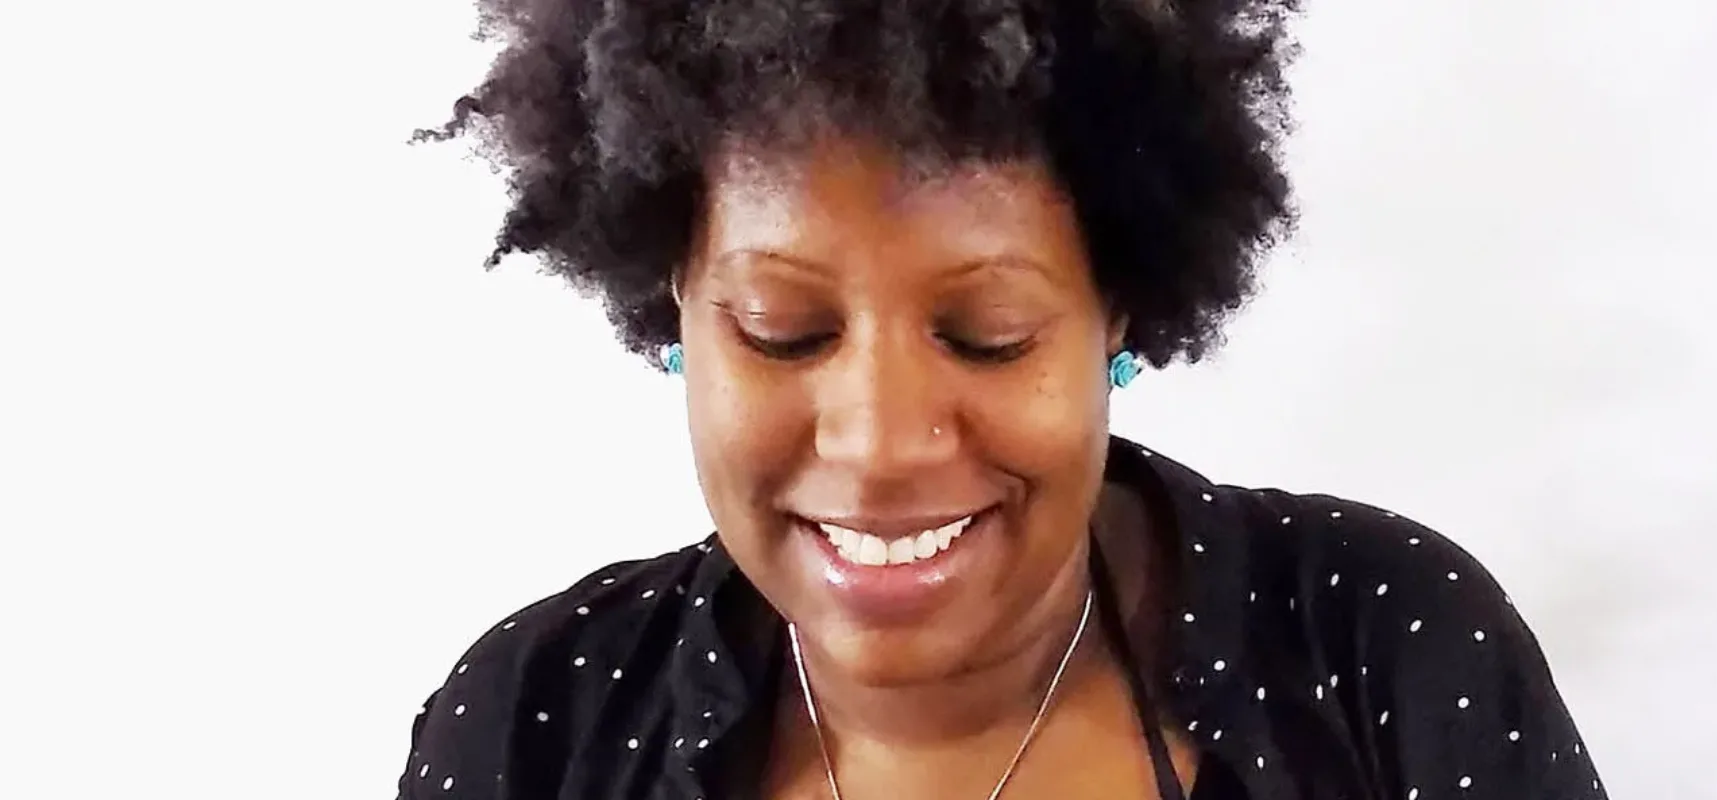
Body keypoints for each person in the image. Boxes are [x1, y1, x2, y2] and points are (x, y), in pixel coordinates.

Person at [400, 1, 1607, 798]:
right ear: (676, 301)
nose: (877, 443)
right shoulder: (535, 722)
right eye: (785, 331)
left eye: (987, 335)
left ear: (1116, 309)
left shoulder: (1382, 645)